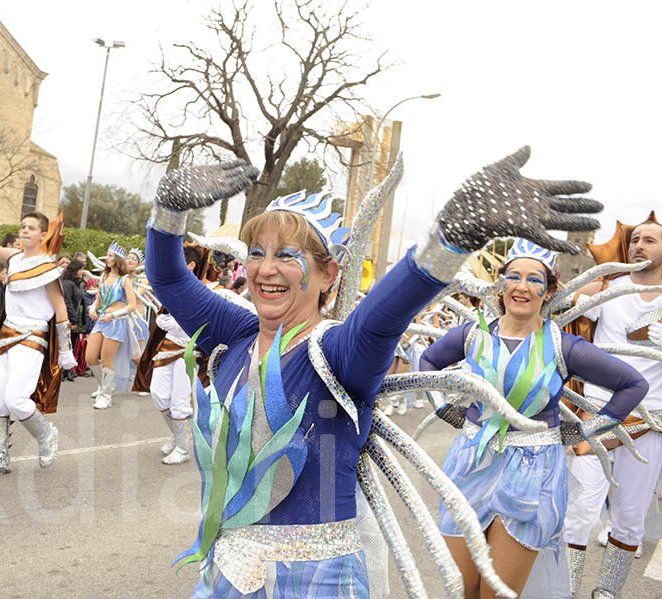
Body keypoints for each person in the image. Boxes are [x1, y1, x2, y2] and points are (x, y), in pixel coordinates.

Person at [144, 150, 613, 597]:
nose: (266, 268)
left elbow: (384, 315)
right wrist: (167, 213)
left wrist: (449, 236)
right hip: (226, 569)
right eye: (256, 252)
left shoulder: (338, 351)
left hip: (316, 581)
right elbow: (168, 279)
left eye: (288, 255)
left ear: (330, 274)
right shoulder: (236, 331)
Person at [419, 239, 648, 599]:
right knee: (460, 591)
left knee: (495, 594)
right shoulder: (472, 335)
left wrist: (586, 431)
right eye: (513, 276)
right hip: (470, 464)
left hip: (532, 473)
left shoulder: (562, 346)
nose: (522, 286)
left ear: (550, 289)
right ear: (501, 284)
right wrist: (444, 408)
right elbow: (428, 363)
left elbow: (633, 385)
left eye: (534, 279)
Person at [563, 216, 662, 598]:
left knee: (630, 520)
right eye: (635, 238)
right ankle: (565, 589)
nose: (639, 245)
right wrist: (580, 295)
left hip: (650, 422)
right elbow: (559, 314)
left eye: (650, 240)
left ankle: (606, 593)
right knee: (580, 510)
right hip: (599, 413)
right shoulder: (609, 289)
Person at [0, 184, 77, 478]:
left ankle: (46, 435)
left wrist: (65, 349)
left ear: (43, 234)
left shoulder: (48, 267)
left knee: (17, 399)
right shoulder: (13, 258)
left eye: (31, 227)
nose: (24, 230)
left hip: (32, 337)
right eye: (22, 226)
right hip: (6, 336)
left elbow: (60, 308)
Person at [150, 244, 204, 466]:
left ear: (190, 265)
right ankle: (177, 436)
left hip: (188, 351)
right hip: (168, 347)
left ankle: (183, 448)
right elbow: (165, 318)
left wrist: (169, 323)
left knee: (179, 401)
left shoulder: (201, 290)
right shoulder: (171, 287)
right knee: (158, 393)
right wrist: (163, 321)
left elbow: (196, 323)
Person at [86, 241, 139, 409]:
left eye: (110, 255)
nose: (107, 258)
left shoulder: (125, 280)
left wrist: (113, 315)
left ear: (117, 259)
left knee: (107, 359)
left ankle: (106, 395)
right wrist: (93, 308)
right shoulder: (103, 277)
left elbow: (132, 306)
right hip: (101, 322)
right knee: (90, 357)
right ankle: (105, 385)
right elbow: (98, 301)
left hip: (116, 322)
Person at [61, 259, 86, 381]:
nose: (83, 271)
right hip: (68, 319)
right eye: (81, 269)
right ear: (75, 270)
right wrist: (73, 319)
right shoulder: (67, 283)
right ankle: (62, 371)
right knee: (65, 345)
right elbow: (68, 302)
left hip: (74, 317)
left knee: (70, 345)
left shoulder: (77, 283)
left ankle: (68, 371)